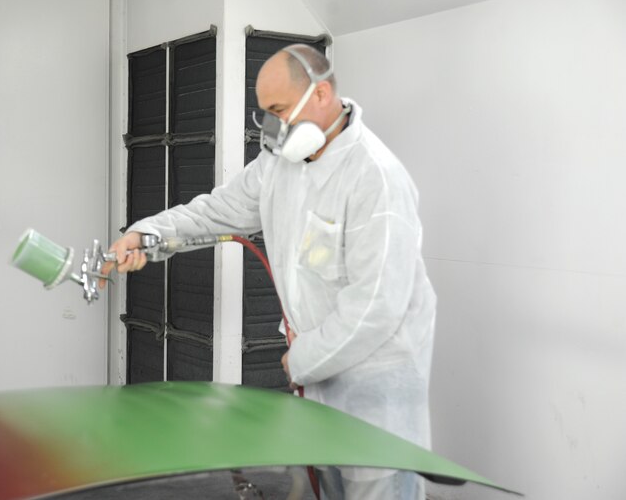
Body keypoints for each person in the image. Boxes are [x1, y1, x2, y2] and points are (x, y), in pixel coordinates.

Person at [101, 44, 436, 500]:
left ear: (320, 95)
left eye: (278, 109)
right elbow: (218, 211)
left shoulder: (375, 179)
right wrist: (148, 235)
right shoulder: (281, 163)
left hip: (375, 385)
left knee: (379, 490)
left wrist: (300, 359)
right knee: (327, 489)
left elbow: (375, 307)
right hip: (317, 372)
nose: (272, 126)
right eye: (265, 113)